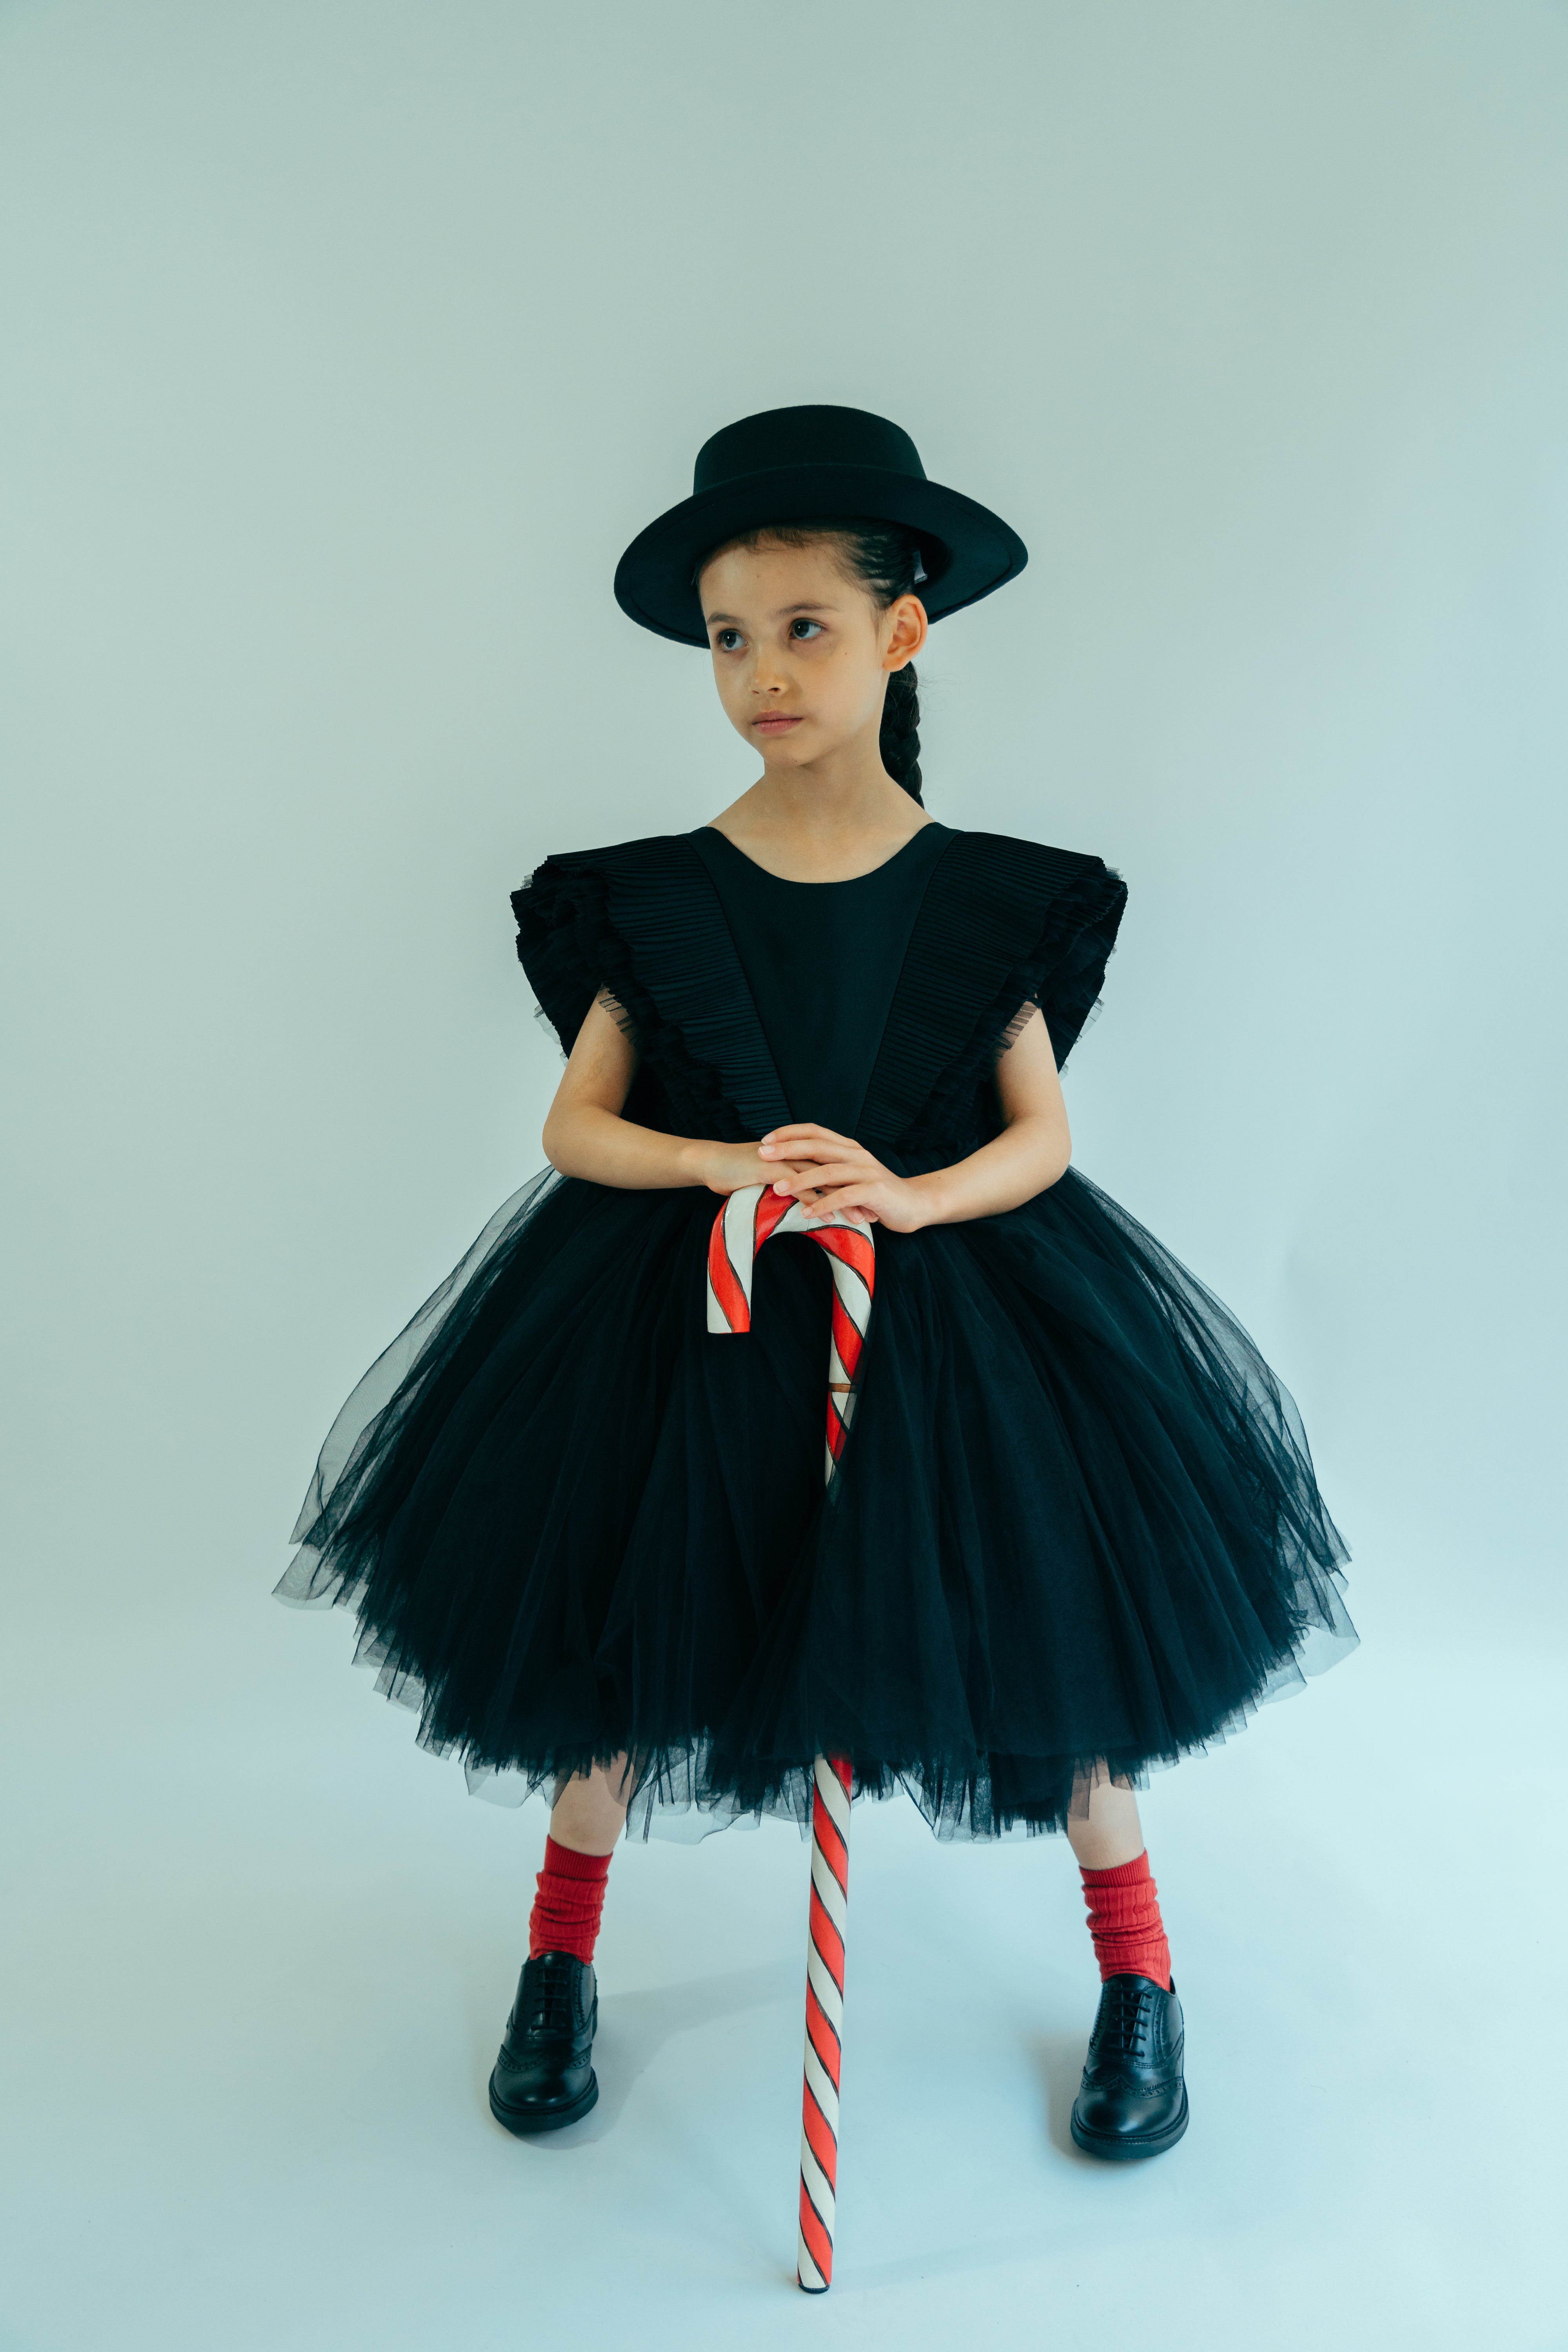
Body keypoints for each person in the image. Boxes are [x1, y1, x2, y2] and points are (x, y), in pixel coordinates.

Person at [279, 404, 1355, 2167]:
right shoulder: (644, 899)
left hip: (956, 1325)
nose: (763, 675)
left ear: (901, 630)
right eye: (728, 639)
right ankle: (558, 1957)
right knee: (615, 1643)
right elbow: (576, 1127)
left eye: (804, 629)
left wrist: (913, 1197)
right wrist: (722, 1164)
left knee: (1059, 1641)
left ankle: (1140, 1972)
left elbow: (1042, 1140)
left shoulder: (998, 899)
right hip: (683, 1327)